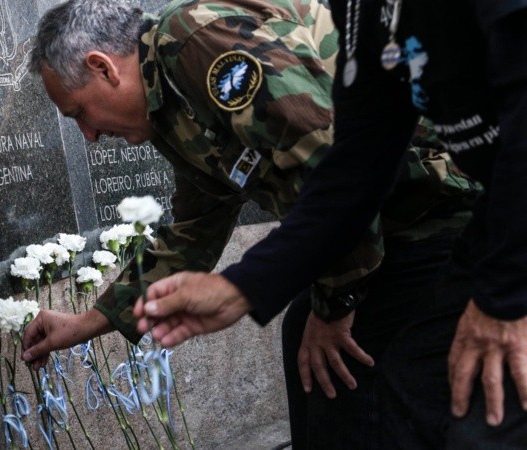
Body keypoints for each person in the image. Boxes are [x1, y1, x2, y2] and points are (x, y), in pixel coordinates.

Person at [21, 0, 479, 447]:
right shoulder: (170, 100)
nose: (90, 135)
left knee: (342, 367)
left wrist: (337, 304)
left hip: (444, 210)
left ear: (103, 67)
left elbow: (327, 164)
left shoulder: (196, 42)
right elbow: (195, 230)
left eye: (79, 112)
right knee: (307, 338)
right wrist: (88, 322)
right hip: (386, 225)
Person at [135, 0, 527, 447]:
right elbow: (356, 167)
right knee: (411, 397)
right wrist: (240, 288)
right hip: (498, 211)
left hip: (498, 227)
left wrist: (504, 296)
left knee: (486, 427)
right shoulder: (362, 8)